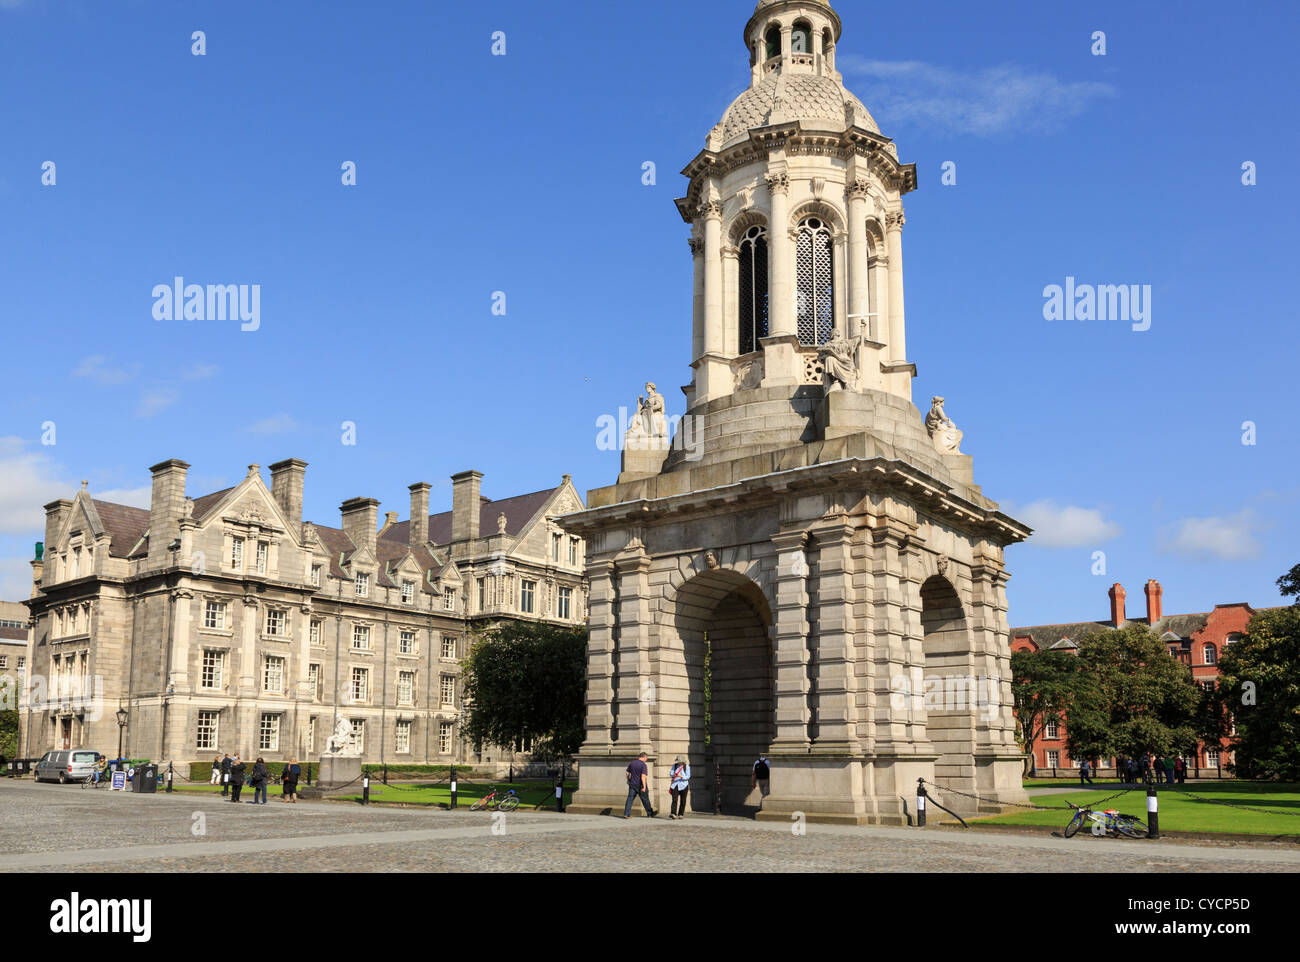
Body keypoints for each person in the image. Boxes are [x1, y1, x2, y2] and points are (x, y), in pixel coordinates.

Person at [622, 751, 654, 819]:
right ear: (644, 757)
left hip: (632, 784)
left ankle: (626, 814)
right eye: (646, 758)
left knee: (630, 799)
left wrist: (628, 780)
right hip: (640, 785)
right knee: (645, 799)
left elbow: (627, 773)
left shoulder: (632, 763)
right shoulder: (643, 765)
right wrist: (644, 787)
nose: (646, 759)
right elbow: (643, 776)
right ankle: (649, 814)